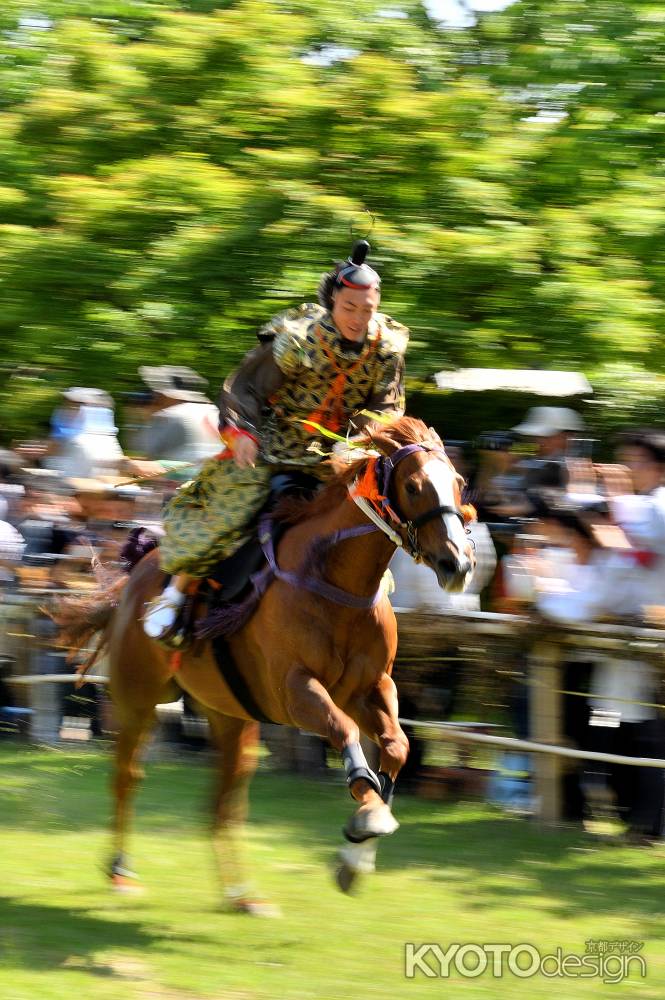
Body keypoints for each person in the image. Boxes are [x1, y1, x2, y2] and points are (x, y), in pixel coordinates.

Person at [143, 240, 409, 640]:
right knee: (232, 512)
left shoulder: (386, 350)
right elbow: (245, 388)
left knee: (370, 521)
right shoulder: (297, 340)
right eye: (349, 308)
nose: (358, 318)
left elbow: (386, 408)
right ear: (332, 302)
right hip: (270, 446)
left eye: (367, 310)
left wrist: (360, 443)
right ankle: (176, 593)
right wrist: (243, 432)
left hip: (335, 457)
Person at [130, 367, 221, 475]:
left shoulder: (171, 416)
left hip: (184, 484)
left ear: (166, 395)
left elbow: (148, 459)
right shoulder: (216, 412)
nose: (155, 397)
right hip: (218, 481)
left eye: (157, 392)